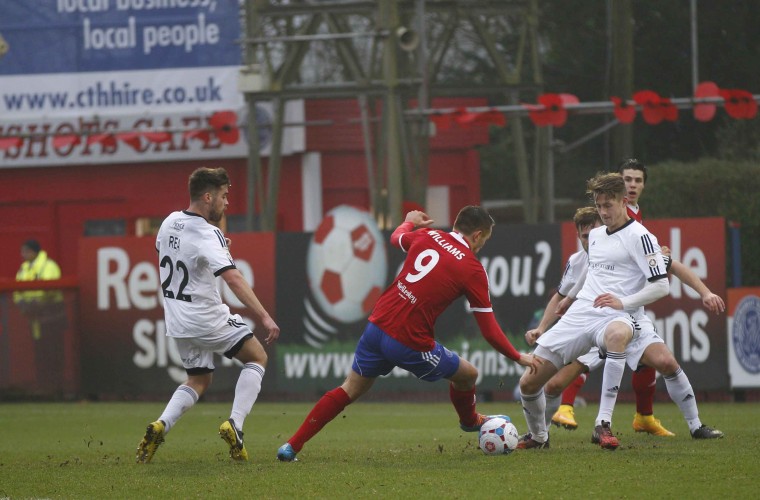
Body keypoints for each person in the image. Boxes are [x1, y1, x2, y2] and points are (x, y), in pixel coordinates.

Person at [276, 206, 541, 462]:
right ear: (478, 235)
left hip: (377, 326)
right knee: (468, 374)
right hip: (409, 342)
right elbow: (489, 329)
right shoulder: (472, 269)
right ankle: (471, 422)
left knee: (349, 389)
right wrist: (518, 356)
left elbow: (396, 237)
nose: (482, 246)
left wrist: (408, 221)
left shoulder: (428, 235)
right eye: (484, 241)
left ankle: (291, 446)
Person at [518, 172, 722, 450]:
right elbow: (593, 270)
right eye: (599, 206)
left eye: (608, 206)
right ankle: (539, 437)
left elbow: (662, 285)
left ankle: (607, 424)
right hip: (583, 315)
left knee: (653, 355)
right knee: (529, 383)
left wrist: (622, 303)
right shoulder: (598, 236)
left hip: (620, 316)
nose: (603, 212)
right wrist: (568, 300)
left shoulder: (642, 237)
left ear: (622, 201)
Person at [135, 167, 280, 463]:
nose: (227, 203)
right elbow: (234, 279)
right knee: (257, 357)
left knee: (199, 380)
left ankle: (161, 424)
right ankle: (236, 426)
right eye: (224, 196)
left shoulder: (168, 222)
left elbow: (174, 253)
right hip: (205, 317)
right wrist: (264, 316)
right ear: (207, 196)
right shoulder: (208, 233)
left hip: (177, 320)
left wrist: (217, 247)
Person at [549, 159, 673, 437]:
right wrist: (571, 297)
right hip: (601, 306)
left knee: (655, 360)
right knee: (555, 379)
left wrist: (703, 291)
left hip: (627, 310)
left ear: (642, 186)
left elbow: (663, 273)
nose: (632, 185)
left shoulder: (638, 226)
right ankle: (558, 413)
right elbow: (594, 262)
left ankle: (640, 416)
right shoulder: (606, 220)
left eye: (637, 180)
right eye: (627, 179)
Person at [14, 239, 67, 394]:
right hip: (34, 320)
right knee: (40, 353)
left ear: (34, 251)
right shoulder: (23, 269)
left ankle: (57, 387)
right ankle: (44, 386)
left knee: (54, 352)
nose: (23, 254)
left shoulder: (48, 266)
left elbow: (51, 288)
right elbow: (17, 291)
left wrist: (37, 303)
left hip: (52, 318)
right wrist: (23, 304)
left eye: (26, 251)